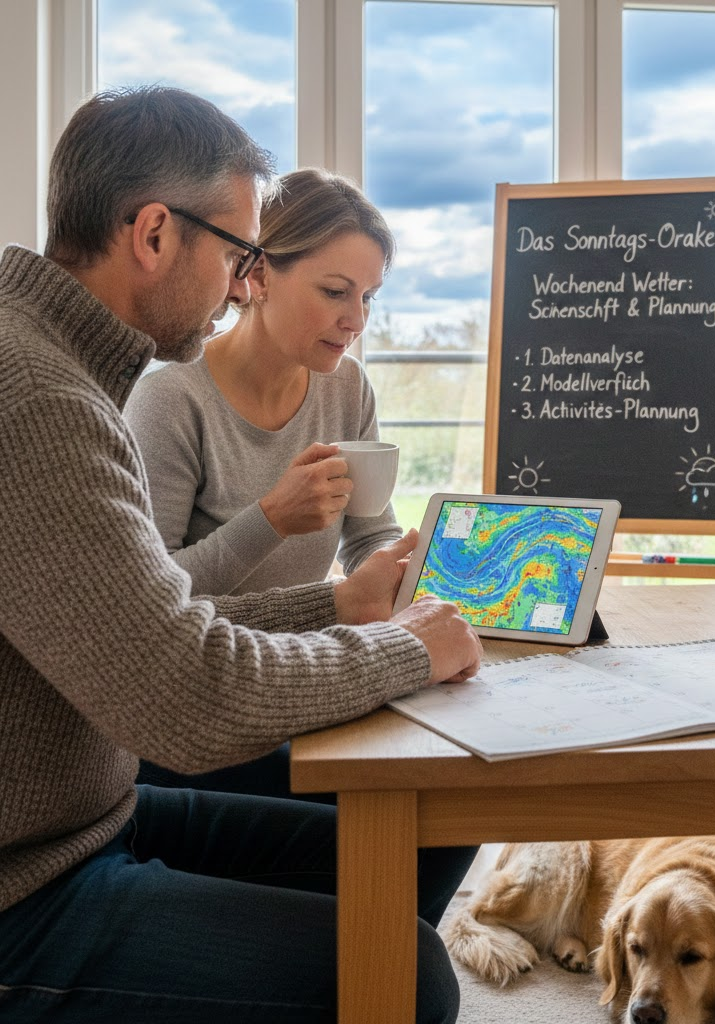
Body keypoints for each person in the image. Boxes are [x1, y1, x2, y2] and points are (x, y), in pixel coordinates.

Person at [0, 85, 482, 1024]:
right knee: (404, 975)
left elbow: (141, 626)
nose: (237, 282)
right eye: (236, 252)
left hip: (92, 819)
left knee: (425, 836)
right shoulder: (45, 404)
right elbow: (187, 699)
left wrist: (336, 607)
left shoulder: (55, 367)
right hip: (28, 886)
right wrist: (408, 649)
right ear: (152, 234)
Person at [124, 168, 404, 600]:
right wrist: (272, 518)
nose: (357, 321)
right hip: (213, 661)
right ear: (258, 277)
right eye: (334, 292)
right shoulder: (171, 400)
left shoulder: (348, 386)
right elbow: (147, 598)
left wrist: (400, 567)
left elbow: (371, 537)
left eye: (367, 296)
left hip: (314, 649)